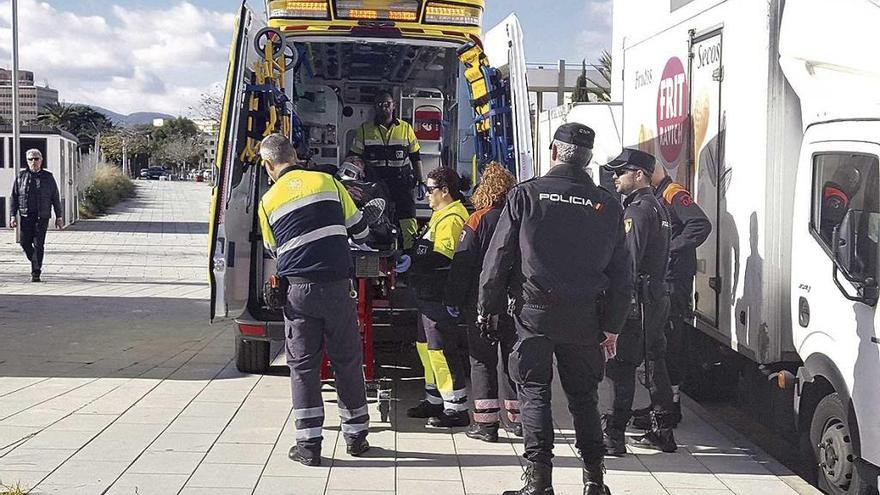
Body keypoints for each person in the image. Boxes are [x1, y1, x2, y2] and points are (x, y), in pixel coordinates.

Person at [480, 123, 631, 495]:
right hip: (586, 317)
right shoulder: (608, 205)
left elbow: (498, 258)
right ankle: (594, 480)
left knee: (534, 392)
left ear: (552, 152)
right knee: (584, 398)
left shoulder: (526, 195)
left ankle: (539, 482)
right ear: (589, 158)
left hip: (535, 314)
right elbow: (622, 273)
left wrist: (487, 306)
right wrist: (612, 324)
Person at [257, 133, 372, 466]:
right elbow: (359, 230)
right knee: (347, 361)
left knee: (303, 367)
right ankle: (356, 436)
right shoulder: (329, 181)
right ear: (295, 156)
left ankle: (309, 446)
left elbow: (273, 250)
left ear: (268, 164)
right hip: (337, 287)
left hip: (299, 292)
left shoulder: (267, 201)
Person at [601, 148, 678, 456]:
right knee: (653, 364)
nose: (615, 178)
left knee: (620, 367)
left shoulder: (637, 210)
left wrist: (617, 306)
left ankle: (614, 435)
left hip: (637, 303)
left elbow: (627, 263)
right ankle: (663, 430)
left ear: (639, 175)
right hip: (655, 298)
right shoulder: (658, 206)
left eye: (620, 172)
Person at [631, 160, 711, 428]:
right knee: (660, 344)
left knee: (670, 343)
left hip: (674, 283)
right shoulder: (657, 196)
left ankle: (671, 407)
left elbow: (700, 225)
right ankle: (662, 403)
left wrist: (668, 247)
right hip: (665, 280)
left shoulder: (673, 193)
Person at [445, 162, 521, 442]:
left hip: (481, 303)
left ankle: (486, 425)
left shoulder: (477, 219)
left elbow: (462, 264)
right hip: (515, 303)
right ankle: (518, 421)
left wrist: (452, 299)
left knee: (482, 361)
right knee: (513, 360)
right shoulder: (519, 219)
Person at [403, 167, 471, 427]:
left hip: (438, 293)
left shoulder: (452, 218)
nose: (426, 194)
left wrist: (412, 263)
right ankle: (434, 398)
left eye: (431, 190)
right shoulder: (440, 214)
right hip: (426, 293)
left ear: (445, 191)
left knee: (440, 349)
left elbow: (443, 257)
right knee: (425, 346)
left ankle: (456, 408)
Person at [351, 90, 422, 250]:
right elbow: (354, 158)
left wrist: (421, 181)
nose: (384, 107)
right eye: (380, 104)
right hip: (376, 183)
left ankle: (410, 252)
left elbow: (415, 157)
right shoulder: (364, 130)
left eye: (387, 104)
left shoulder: (406, 129)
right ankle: (377, 249)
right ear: (375, 107)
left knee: (408, 217)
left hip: (401, 182)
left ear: (393, 106)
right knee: (377, 217)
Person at [10, 149, 63, 282]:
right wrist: (12, 215)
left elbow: (55, 198)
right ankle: (35, 262)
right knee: (24, 242)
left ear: (41, 160)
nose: (34, 161)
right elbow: (14, 197)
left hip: (42, 216)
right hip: (25, 215)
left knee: (39, 244)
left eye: (36, 159)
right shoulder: (20, 177)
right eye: (31, 159)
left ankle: (36, 272)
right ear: (27, 161)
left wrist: (59, 216)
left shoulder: (48, 177)